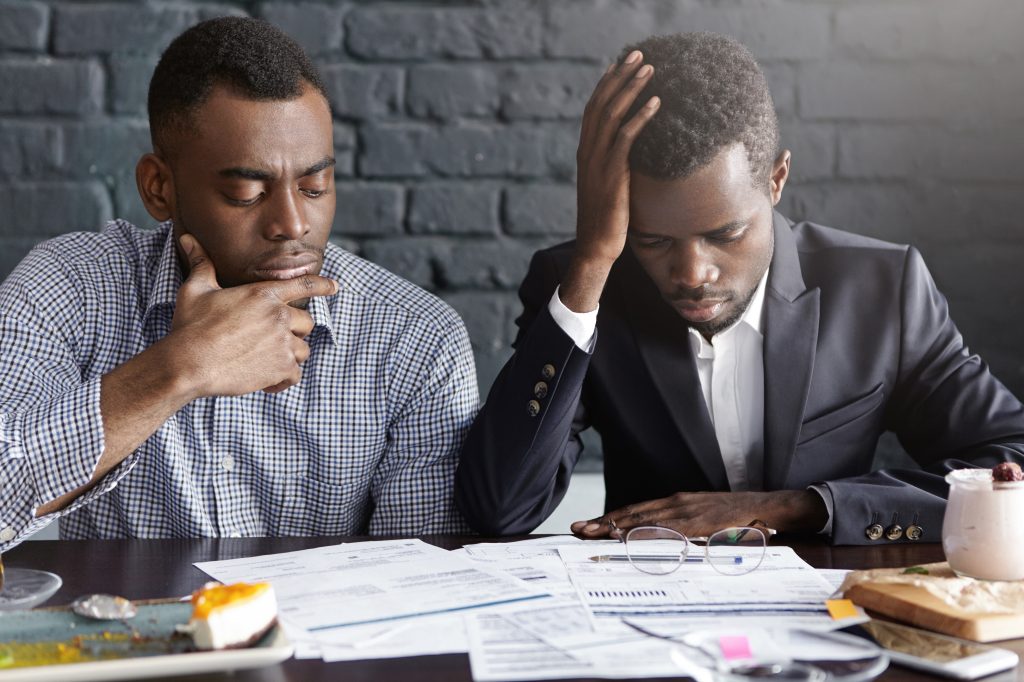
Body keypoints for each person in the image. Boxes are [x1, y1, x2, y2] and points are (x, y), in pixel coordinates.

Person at [455, 32, 1024, 545]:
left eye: (725, 234)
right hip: (651, 623)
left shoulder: (882, 289)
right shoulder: (584, 285)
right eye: (652, 240)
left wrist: (793, 508)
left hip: (830, 621)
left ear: (776, 180)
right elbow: (500, 509)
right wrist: (594, 260)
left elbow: (1014, 466)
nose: (693, 272)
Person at [0, 17, 478, 551]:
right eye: (247, 193)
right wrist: (181, 367)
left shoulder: (416, 338)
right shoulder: (69, 286)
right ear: (159, 189)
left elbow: (426, 583)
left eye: (315, 186)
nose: (293, 224)